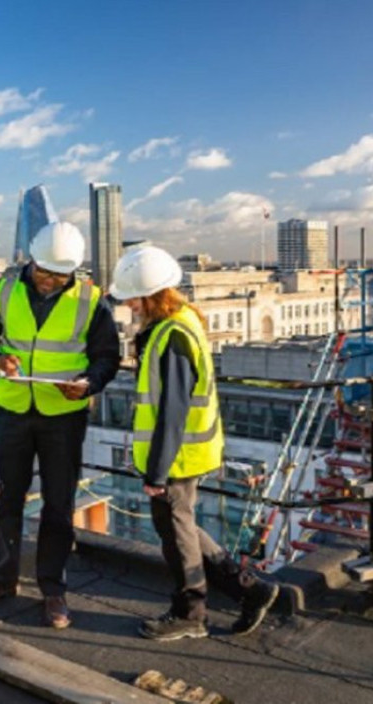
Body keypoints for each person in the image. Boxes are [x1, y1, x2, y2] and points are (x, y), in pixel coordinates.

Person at [107, 245, 279, 641]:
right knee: (180, 525)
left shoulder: (171, 335)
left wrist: (157, 470)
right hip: (185, 451)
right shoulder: (180, 322)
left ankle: (191, 613)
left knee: (176, 532)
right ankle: (250, 590)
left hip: (178, 455)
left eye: (133, 296)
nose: (129, 304)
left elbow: (172, 409)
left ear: (151, 295)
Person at [0, 221, 121, 629]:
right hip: (13, 408)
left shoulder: (92, 300)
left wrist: (88, 385)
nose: (50, 281)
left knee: (59, 503)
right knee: (6, 497)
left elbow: (107, 357)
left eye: (60, 274)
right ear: (30, 260)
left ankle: (53, 587)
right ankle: (3, 576)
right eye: (45, 271)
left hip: (63, 417)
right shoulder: (3, 291)